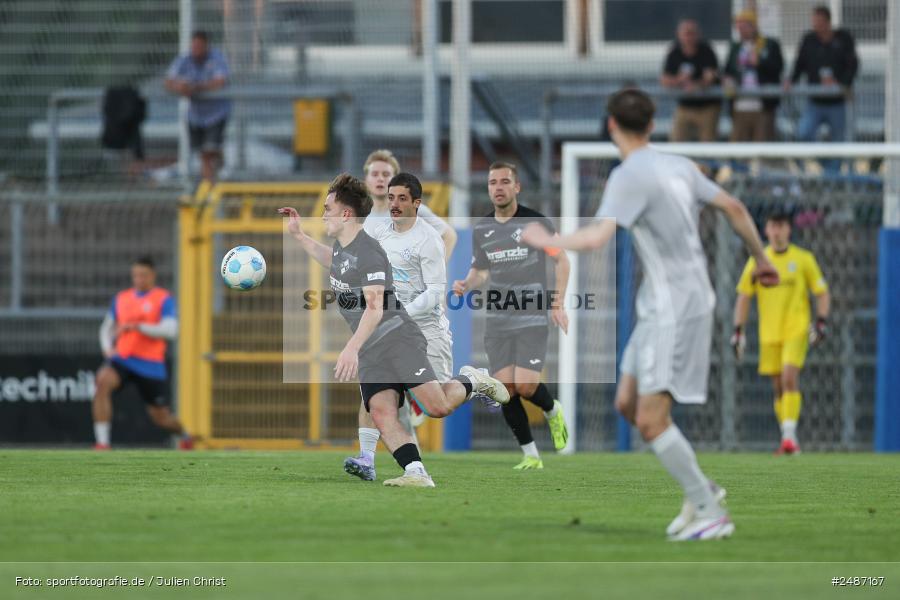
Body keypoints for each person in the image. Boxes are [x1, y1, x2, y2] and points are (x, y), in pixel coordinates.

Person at [521, 89, 779, 540]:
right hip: (663, 301)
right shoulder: (679, 164)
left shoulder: (628, 176)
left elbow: (597, 238)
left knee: (651, 419)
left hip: (675, 306)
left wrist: (547, 240)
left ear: (611, 125)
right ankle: (702, 489)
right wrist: (761, 259)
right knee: (626, 403)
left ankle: (710, 510)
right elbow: (734, 207)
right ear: (652, 124)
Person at [278, 174, 509, 488]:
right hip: (371, 345)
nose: (323, 215)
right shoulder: (344, 247)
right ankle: (416, 472)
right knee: (381, 410)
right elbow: (333, 261)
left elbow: (376, 309)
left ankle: (473, 380)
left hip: (396, 337)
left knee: (437, 406)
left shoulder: (370, 251)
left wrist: (351, 348)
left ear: (345, 214)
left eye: (327, 209)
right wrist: (299, 236)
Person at [452, 162, 570, 470]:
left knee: (527, 386)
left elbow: (562, 260)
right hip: (498, 319)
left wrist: (557, 303)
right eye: (493, 182)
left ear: (516, 187)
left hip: (531, 315)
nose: (498, 187)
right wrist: (466, 283)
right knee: (505, 390)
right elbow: (481, 271)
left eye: (505, 181)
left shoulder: (535, 222)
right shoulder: (483, 228)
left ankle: (552, 409)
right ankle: (531, 456)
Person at [343, 172, 454, 481]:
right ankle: (368, 459)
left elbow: (435, 292)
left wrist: (402, 312)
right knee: (374, 394)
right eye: (391, 198)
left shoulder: (428, 239)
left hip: (426, 329)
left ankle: (474, 381)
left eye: (402, 198)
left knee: (438, 404)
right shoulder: (380, 235)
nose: (394, 204)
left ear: (416, 203)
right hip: (390, 329)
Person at [731, 210, 830, 455]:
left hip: (796, 328)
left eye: (781, 226)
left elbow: (821, 292)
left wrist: (820, 322)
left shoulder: (803, 259)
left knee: (788, 378)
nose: (777, 232)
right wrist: (738, 331)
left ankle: (789, 437)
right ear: (766, 230)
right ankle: (787, 437)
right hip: (769, 332)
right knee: (777, 387)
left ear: (789, 230)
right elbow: (744, 295)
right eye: (772, 226)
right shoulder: (758, 261)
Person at [93, 257, 194, 450]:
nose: (139, 279)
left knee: (161, 418)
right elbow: (106, 328)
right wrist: (107, 348)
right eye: (136, 275)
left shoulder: (163, 299)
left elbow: (171, 330)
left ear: (153, 275)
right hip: (123, 358)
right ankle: (102, 443)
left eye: (143, 275)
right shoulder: (122, 298)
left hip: (151, 364)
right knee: (102, 381)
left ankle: (185, 435)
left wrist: (139, 326)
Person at [788, 5, 858, 170]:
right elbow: (800, 64)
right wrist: (791, 80)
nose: (816, 25)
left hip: (837, 103)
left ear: (827, 22)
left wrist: (841, 83)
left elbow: (853, 64)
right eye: (814, 22)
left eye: (819, 21)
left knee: (838, 140)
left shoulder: (843, 39)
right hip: (815, 101)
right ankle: (826, 165)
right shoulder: (809, 40)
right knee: (804, 133)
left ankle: (832, 176)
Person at [165, 30, 231, 182]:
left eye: (200, 46)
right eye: (194, 46)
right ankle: (208, 186)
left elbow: (220, 81)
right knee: (203, 155)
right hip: (196, 116)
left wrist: (196, 87)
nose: (196, 50)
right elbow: (168, 81)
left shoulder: (216, 58)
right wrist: (179, 87)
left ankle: (212, 176)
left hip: (216, 114)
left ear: (207, 46)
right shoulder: (185, 59)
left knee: (209, 152)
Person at [723, 10, 784, 142]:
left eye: (744, 27)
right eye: (739, 28)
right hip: (739, 105)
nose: (741, 31)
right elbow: (728, 71)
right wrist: (728, 80)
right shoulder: (736, 47)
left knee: (762, 145)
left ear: (754, 26)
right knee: (737, 143)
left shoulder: (769, 44)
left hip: (763, 106)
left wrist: (760, 62)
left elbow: (778, 67)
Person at [661, 19, 721, 142]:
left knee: (708, 142)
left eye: (692, 33)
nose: (689, 37)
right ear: (679, 35)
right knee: (677, 140)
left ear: (698, 34)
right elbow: (664, 79)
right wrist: (679, 80)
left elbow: (710, 78)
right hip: (685, 106)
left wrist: (695, 86)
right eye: (686, 34)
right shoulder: (674, 52)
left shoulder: (706, 51)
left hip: (706, 106)